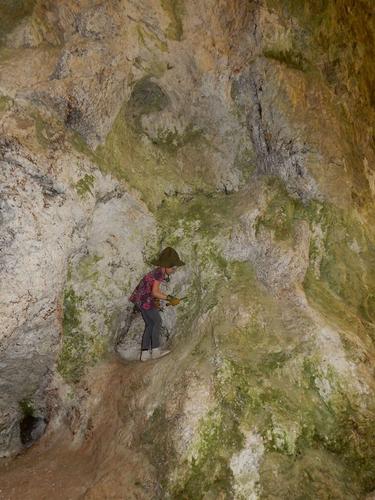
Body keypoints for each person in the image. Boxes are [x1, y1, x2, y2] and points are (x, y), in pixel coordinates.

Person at [129, 247, 185, 361]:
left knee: (150, 324)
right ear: (166, 265)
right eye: (173, 267)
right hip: (145, 300)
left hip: (140, 299)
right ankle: (155, 350)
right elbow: (155, 292)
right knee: (157, 322)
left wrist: (157, 301)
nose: (174, 270)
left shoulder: (156, 272)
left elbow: (151, 290)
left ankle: (144, 353)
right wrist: (170, 298)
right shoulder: (159, 274)